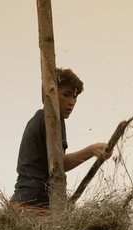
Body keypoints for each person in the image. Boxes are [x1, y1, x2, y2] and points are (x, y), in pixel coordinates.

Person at [11, 68, 110, 209]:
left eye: (75, 97)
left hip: (26, 201)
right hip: (33, 205)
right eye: (66, 95)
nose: (72, 102)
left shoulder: (39, 118)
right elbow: (58, 164)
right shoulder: (50, 120)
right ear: (50, 93)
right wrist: (92, 150)